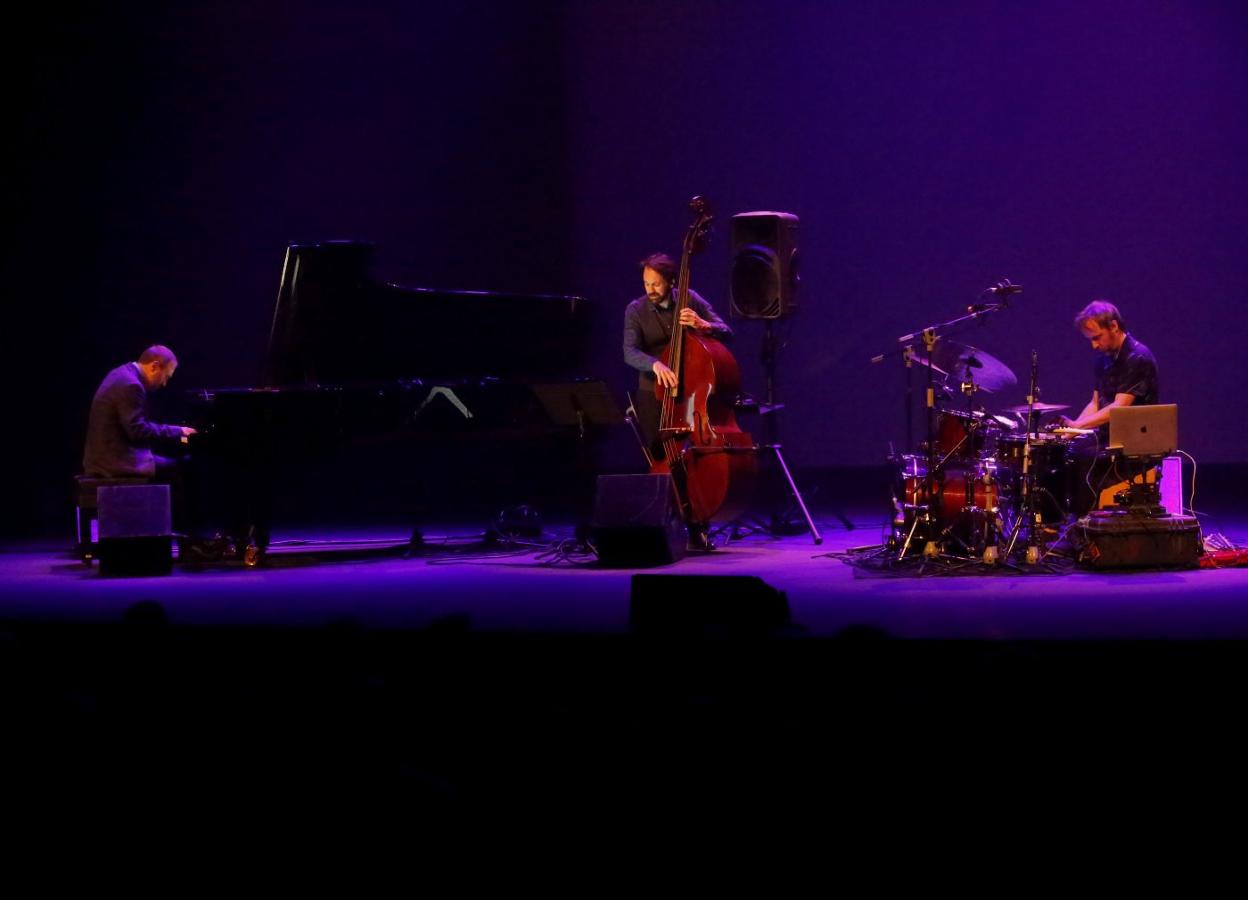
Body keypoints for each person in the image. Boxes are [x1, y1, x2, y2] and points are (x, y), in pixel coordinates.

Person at [83, 345, 205, 550]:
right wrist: (179, 432)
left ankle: (180, 537)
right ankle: (187, 540)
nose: (165, 383)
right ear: (154, 366)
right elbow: (137, 431)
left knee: (173, 463)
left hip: (108, 454)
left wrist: (174, 434)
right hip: (114, 460)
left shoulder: (121, 374)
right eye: (166, 376)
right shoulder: (131, 385)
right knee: (178, 470)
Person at [622, 252, 732, 460]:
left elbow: (726, 331)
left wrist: (703, 324)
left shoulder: (689, 298)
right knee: (659, 455)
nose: (650, 290)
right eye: (646, 284)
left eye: (656, 284)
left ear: (672, 281)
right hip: (653, 392)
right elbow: (630, 352)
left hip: (691, 392)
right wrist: (655, 364)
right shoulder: (635, 310)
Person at [1058, 300, 1159, 515]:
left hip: (1135, 443)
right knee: (1064, 453)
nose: (1094, 345)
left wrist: (1077, 425)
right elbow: (1095, 403)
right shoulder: (1103, 360)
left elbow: (1119, 407)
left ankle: (1087, 527)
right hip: (1109, 438)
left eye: (1097, 337)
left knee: (1085, 462)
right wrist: (1071, 432)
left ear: (1113, 326)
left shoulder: (1137, 357)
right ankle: (1067, 522)